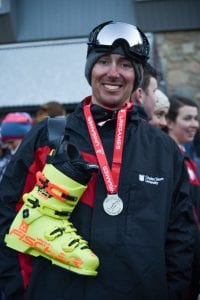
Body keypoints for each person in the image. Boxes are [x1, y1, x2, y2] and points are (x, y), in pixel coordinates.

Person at [0, 21, 195, 300]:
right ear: (91, 68)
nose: (113, 73)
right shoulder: (50, 136)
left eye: (126, 64)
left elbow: (180, 238)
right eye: (103, 61)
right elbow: (7, 214)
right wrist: (22, 292)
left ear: (137, 76)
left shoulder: (164, 150)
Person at [166, 95, 200, 300]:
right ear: (169, 122)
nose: (194, 124)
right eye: (187, 118)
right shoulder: (167, 158)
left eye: (196, 118)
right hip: (179, 262)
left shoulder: (187, 160)